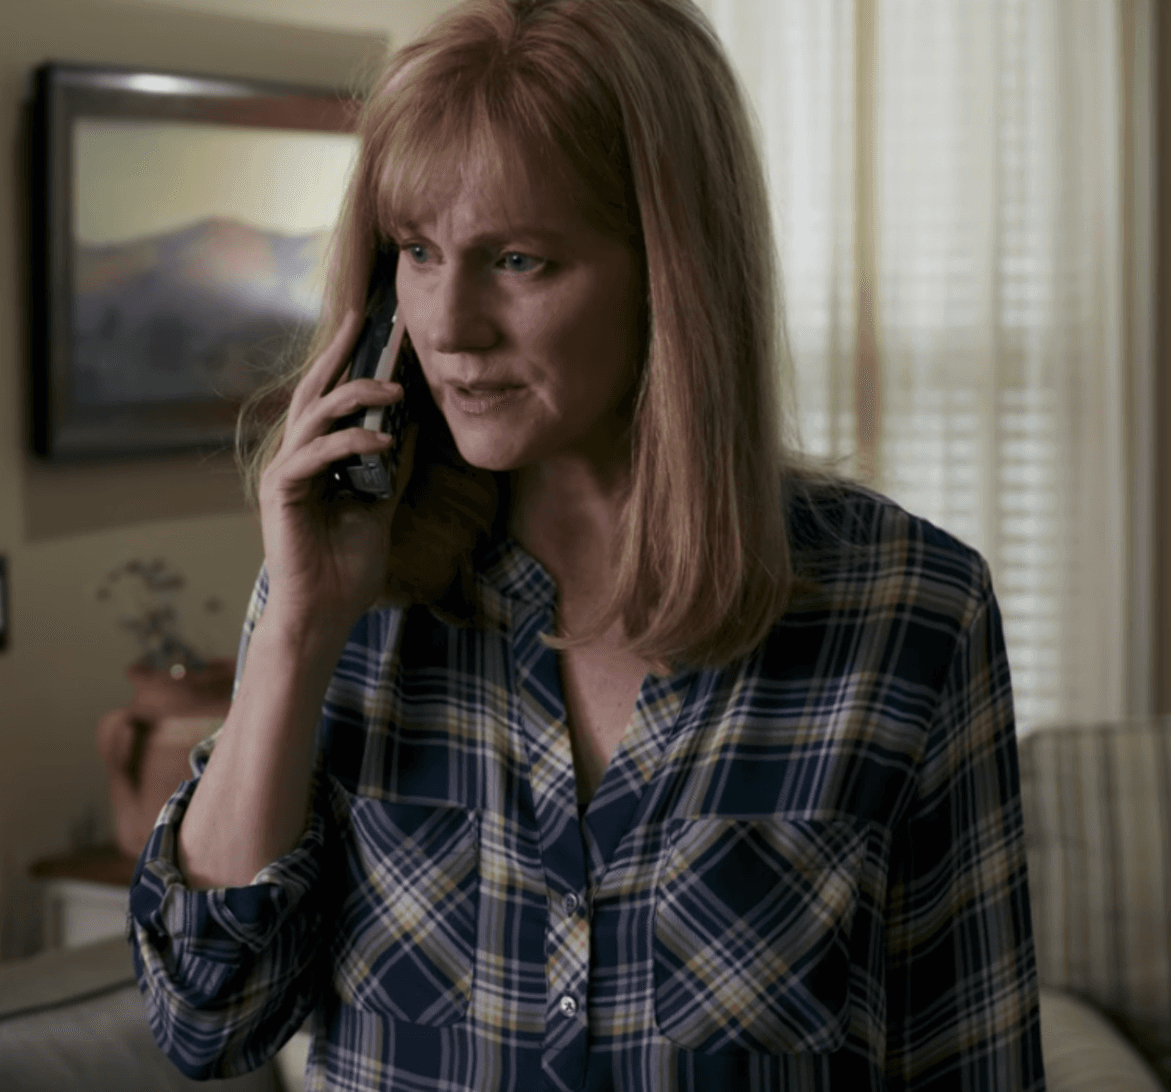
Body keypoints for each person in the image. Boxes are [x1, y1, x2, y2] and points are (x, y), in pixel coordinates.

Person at [128, 1, 1047, 1089]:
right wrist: (298, 631)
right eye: (417, 251)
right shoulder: (337, 594)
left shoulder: (911, 611)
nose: (448, 327)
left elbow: (971, 1062)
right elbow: (204, 1018)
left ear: (671, 269)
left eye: (518, 260)